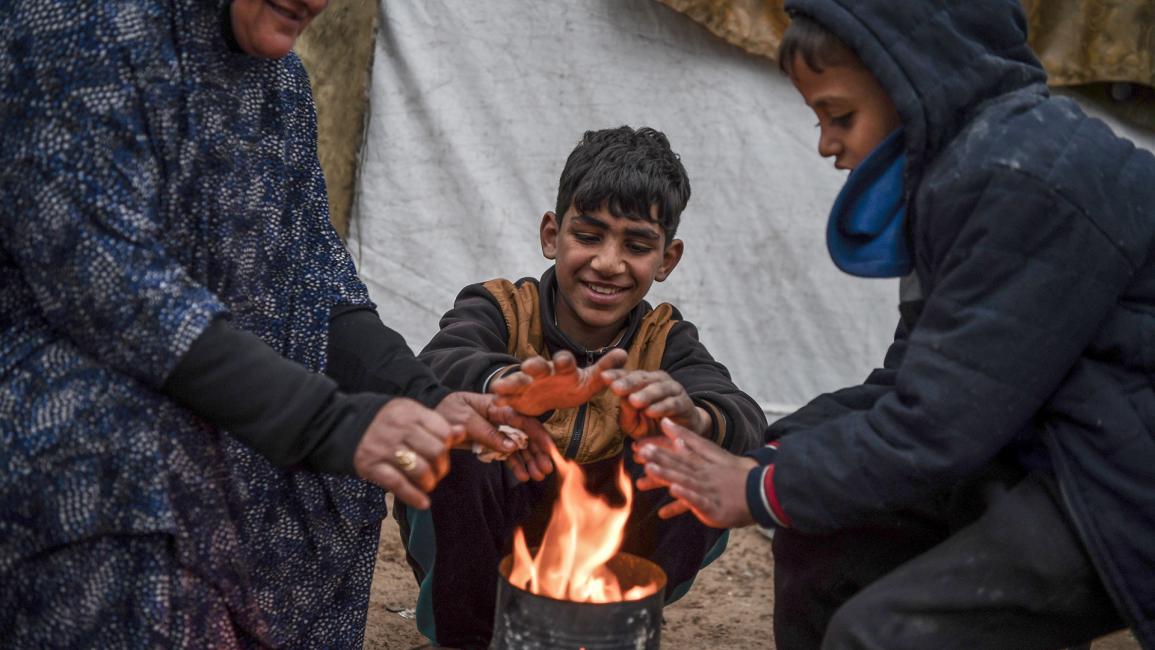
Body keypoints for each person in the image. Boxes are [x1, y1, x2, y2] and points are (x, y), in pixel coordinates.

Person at [0, 1, 541, 647]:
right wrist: (331, 423)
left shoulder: (280, 84)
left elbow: (314, 278)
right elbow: (112, 289)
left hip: (205, 382)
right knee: (117, 443)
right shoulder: (72, 26)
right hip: (57, 384)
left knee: (341, 476)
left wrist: (426, 399)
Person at [636, 1, 1155, 649]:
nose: (826, 144)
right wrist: (761, 456)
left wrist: (759, 487)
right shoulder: (962, 174)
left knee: (881, 636)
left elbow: (937, 425)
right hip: (1050, 450)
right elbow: (907, 383)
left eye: (839, 115)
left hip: (1120, 480)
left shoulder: (1024, 177)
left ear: (912, 85)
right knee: (825, 544)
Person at [395, 126, 767, 648]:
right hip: (497, 532)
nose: (608, 263)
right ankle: (471, 638)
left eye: (637, 245)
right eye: (588, 236)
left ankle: (608, 625)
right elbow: (435, 365)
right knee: (457, 444)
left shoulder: (667, 340)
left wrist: (692, 417)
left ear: (667, 259)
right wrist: (507, 388)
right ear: (551, 235)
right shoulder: (500, 306)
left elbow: (743, 415)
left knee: (696, 456)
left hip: (612, 538)